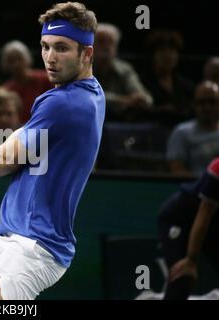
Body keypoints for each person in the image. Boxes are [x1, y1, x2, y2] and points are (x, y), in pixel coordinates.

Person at [0, 2, 105, 300]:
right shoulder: (91, 93)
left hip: (37, 245)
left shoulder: (62, 103)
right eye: (44, 47)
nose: (50, 58)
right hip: (10, 236)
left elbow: (8, 157)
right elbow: (19, 143)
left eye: (61, 48)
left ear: (87, 53)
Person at [158, 156, 219, 300]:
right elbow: (204, 214)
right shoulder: (217, 169)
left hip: (211, 225)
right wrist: (191, 259)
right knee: (183, 276)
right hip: (179, 219)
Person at [93, 23, 152, 122]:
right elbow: (89, 97)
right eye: (101, 42)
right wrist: (123, 101)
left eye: (110, 42)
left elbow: (146, 98)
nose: (106, 47)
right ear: (91, 45)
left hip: (120, 122)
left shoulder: (125, 69)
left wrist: (141, 98)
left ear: (116, 47)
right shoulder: (82, 68)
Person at [167, 81, 219, 176]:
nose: (207, 107)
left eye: (212, 102)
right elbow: (177, 170)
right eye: (201, 102)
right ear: (194, 105)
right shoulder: (181, 132)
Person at [1, 40, 52, 124]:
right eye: (11, 61)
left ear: (27, 59)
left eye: (19, 58)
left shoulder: (46, 79)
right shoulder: (6, 89)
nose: (16, 64)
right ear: (6, 64)